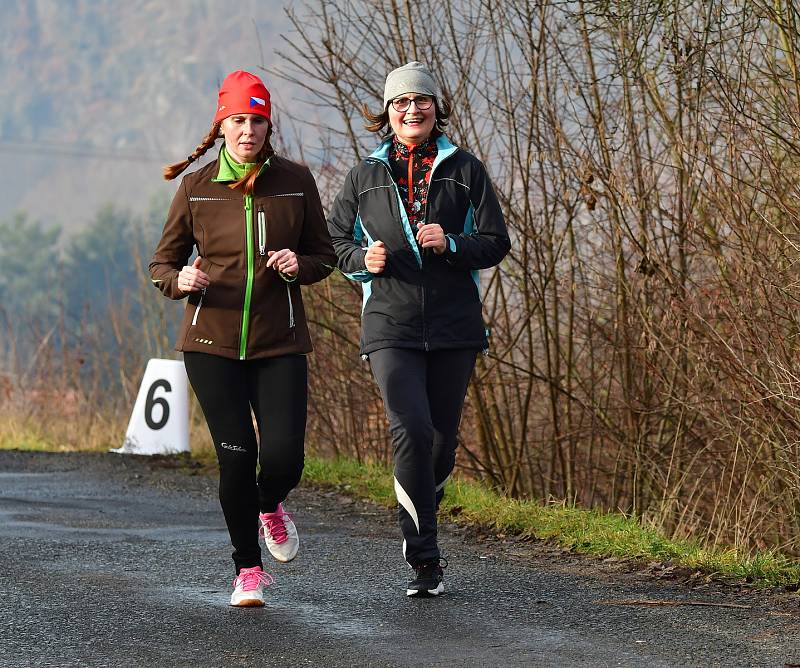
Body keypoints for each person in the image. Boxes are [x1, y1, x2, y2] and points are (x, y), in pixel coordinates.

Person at [150, 70, 336, 607]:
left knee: (283, 461)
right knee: (236, 456)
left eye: (256, 120)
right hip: (211, 343)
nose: (247, 130)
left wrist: (299, 264)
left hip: (279, 341)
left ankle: (270, 505)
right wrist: (178, 279)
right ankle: (248, 571)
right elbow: (163, 262)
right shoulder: (197, 186)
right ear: (222, 124)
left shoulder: (297, 181)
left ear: (267, 123)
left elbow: (324, 256)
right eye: (237, 120)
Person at [327, 62, 511, 596]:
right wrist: (366, 258)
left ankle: (417, 497)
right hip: (390, 323)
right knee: (409, 429)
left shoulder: (465, 169)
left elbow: (496, 241)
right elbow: (337, 244)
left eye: (421, 101)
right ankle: (424, 555)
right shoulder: (365, 175)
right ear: (387, 114)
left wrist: (451, 243)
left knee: (441, 444)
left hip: (455, 325)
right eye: (401, 103)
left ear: (437, 108)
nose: (412, 110)